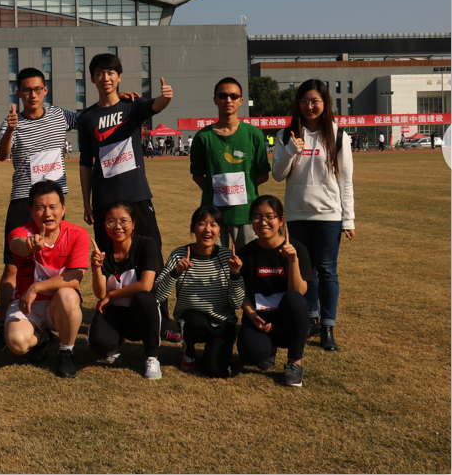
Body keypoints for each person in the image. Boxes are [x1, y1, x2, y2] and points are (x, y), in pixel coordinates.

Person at [0, 67, 124, 353]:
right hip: (23, 200)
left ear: (45, 90)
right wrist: (10, 129)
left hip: (53, 204)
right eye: (27, 90)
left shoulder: (59, 115)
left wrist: (115, 100)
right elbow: (1, 155)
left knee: (56, 264)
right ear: (18, 93)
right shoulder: (12, 121)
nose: (32, 95)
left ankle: (51, 317)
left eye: (38, 89)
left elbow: (89, 117)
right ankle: (3, 327)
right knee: (12, 267)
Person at [76, 53, 180, 344]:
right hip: (104, 201)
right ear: (92, 78)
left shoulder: (132, 105)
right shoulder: (87, 118)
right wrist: (86, 202)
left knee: (153, 256)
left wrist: (166, 97)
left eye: (111, 72)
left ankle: (162, 320)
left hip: (137, 197)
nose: (105, 78)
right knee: (109, 262)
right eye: (100, 73)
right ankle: (114, 320)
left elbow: (156, 105)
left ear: (119, 77)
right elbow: (85, 163)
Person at [272, 79, 354, 352]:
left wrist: (348, 219)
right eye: (304, 101)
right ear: (298, 104)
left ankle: (328, 327)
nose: (309, 106)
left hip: (328, 214)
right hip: (296, 214)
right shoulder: (286, 135)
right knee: (307, 272)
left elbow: (346, 181)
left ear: (325, 103)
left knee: (327, 271)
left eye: (315, 101)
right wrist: (291, 150)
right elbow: (277, 175)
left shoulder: (338, 135)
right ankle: (311, 319)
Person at [5, 180, 89, 379]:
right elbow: (16, 245)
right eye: (40, 207)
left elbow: (75, 278)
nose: (47, 213)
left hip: (58, 304)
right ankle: (43, 339)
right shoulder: (22, 232)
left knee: (68, 294)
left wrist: (35, 288)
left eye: (53, 207)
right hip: (28, 305)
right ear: (31, 210)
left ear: (63, 208)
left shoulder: (78, 234)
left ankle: (66, 351)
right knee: (17, 343)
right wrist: (29, 245)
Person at [154, 205, 244, 379]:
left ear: (220, 231)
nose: (207, 230)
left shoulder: (228, 258)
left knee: (216, 371)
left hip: (222, 323)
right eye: (202, 224)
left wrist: (235, 274)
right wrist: (176, 272)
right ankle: (188, 350)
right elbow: (158, 295)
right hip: (193, 321)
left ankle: (216, 350)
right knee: (194, 321)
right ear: (193, 228)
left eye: (213, 225)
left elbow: (237, 303)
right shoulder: (179, 255)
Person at [237, 195, 311, 387]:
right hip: (259, 317)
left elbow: (299, 291)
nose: (263, 222)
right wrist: (252, 315)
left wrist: (292, 260)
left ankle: (294, 363)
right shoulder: (245, 253)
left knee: (294, 299)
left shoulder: (297, 249)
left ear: (281, 220)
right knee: (250, 353)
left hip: (288, 318)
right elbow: (242, 293)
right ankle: (268, 350)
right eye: (257, 217)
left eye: (270, 217)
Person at [190, 77, 271, 250]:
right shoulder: (202, 137)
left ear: (241, 100)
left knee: (247, 261)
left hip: (245, 214)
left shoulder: (254, 134)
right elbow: (197, 175)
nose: (228, 100)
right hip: (212, 217)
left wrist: (240, 189)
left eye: (234, 96)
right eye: (223, 96)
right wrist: (217, 190)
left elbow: (263, 175)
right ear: (215, 100)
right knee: (214, 263)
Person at [88, 200, 164, 380]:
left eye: (123, 221)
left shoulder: (147, 245)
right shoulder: (104, 252)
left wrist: (112, 295)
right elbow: (100, 294)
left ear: (133, 223)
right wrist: (96, 267)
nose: (117, 226)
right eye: (111, 221)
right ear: (104, 224)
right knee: (98, 344)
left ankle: (152, 357)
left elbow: (146, 285)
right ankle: (115, 343)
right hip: (115, 312)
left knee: (144, 298)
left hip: (140, 313)